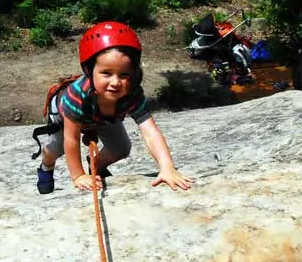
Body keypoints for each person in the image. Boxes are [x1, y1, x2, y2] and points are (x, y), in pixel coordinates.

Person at [36, 21, 194, 194]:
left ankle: (96, 165)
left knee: (121, 148)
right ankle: (46, 166)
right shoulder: (77, 95)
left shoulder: (131, 93)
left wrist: (167, 167)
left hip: (102, 116)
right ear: (89, 71)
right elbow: (71, 138)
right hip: (66, 116)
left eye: (124, 74)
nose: (116, 82)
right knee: (56, 148)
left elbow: (150, 131)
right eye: (106, 73)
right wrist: (78, 176)